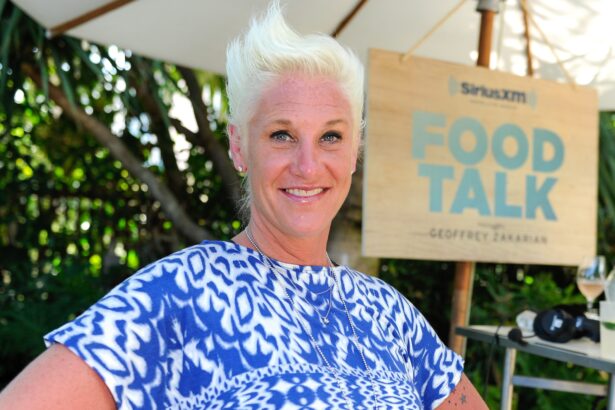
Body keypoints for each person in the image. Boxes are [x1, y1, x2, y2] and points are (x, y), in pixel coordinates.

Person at [0, 2, 487, 409]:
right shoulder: (183, 291)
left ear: (355, 151)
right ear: (239, 146)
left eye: (331, 137)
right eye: (282, 135)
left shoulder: (389, 312)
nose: (308, 165)